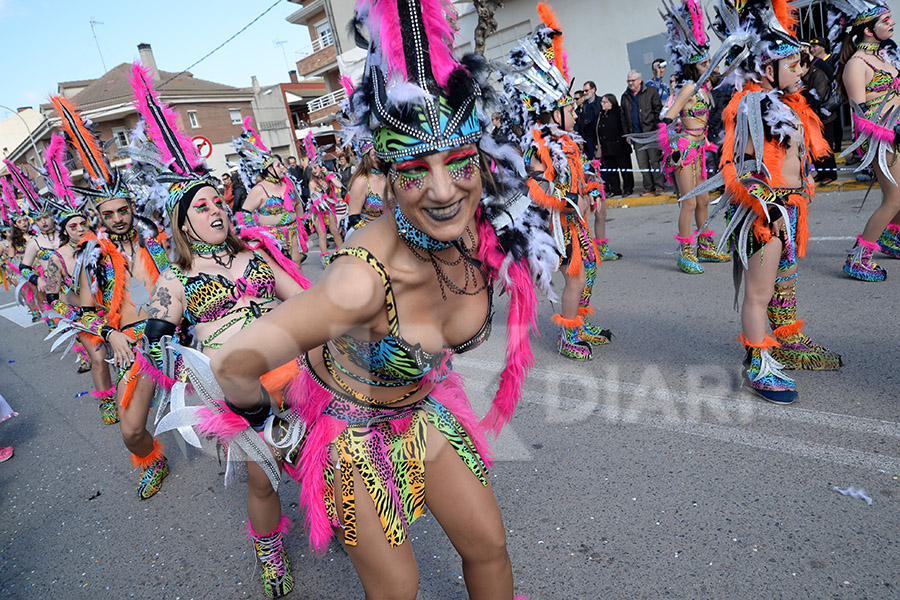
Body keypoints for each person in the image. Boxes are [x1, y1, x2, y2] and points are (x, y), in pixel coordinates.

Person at [211, 0, 555, 597]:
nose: (445, 191)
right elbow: (232, 363)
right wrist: (271, 428)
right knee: (397, 589)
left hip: (423, 409)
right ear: (387, 175)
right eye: (417, 169)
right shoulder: (360, 281)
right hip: (351, 433)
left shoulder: (493, 226)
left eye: (459, 164)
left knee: (489, 547)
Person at [123, 79, 311, 593]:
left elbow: (308, 302)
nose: (216, 210)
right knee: (265, 473)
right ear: (183, 224)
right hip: (240, 388)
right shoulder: (174, 280)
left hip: (298, 371)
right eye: (201, 207)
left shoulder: (259, 254)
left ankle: (333, 510)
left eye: (217, 202)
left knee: (326, 450)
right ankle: (270, 550)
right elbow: (158, 347)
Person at [684, 0, 841, 404]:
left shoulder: (787, 102)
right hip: (763, 212)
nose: (802, 68)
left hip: (788, 208)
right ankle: (758, 360)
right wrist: (766, 205)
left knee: (783, 284)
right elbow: (740, 166)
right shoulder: (754, 105)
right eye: (793, 63)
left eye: (801, 61)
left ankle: (786, 338)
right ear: (767, 69)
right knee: (759, 292)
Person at [51, 90, 172, 498]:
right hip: (132, 345)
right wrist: (111, 334)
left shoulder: (156, 240)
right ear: (98, 218)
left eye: (123, 211)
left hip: (177, 337)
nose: (119, 219)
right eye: (109, 214)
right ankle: (154, 459)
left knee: (232, 410)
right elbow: (84, 314)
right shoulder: (93, 258)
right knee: (131, 430)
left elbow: (184, 278)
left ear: (131, 209)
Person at [507, 2, 611, 360]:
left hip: (576, 219)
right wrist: (566, 200)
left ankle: (578, 320)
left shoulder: (568, 140)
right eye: (570, 108)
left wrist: (591, 186)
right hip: (559, 224)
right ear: (554, 112)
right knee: (576, 276)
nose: (576, 111)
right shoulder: (540, 145)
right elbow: (535, 188)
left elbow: (580, 174)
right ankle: (568, 335)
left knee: (590, 270)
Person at [644, 0, 730, 274]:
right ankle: (685, 252)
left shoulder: (705, 88)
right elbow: (667, 119)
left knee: (704, 200)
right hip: (684, 151)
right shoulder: (690, 87)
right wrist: (674, 148)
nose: (710, 64)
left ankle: (705, 245)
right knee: (689, 202)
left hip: (699, 150)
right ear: (694, 65)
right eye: (705, 61)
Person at [39, 134, 115, 420]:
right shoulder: (55, 258)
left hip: (108, 310)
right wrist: (72, 315)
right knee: (97, 355)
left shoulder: (101, 248)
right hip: (80, 316)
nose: (80, 228)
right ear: (65, 229)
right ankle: (107, 402)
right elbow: (51, 297)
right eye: (74, 225)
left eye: (83, 223)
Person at [828, 0, 900, 278]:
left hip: (897, 134)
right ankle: (859, 257)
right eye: (886, 21)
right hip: (882, 140)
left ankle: (891, 237)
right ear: (869, 31)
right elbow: (860, 114)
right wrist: (891, 132)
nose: (892, 24)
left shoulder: (884, 59)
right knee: (894, 199)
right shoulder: (856, 65)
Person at [234, 119, 308, 271]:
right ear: (268, 169)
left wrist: (302, 222)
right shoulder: (259, 189)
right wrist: (256, 233)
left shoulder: (288, 183)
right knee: (282, 272)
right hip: (273, 238)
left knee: (297, 267)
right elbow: (246, 213)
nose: (283, 168)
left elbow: (298, 203)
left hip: (293, 231)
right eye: (278, 165)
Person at [3, 161, 55, 323]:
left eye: (25, 220)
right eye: (20, 222)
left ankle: (55, 317)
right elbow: (11, 259)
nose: (24, 223)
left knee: (49, 295)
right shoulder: (14, 240)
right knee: (37, 296)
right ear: (16, 225)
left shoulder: (35, 233)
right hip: (25, 272)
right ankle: (47, 320)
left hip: (42, 268)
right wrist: (13, 270)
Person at [621, 70, 666, 195]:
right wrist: (628, 134)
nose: (630, 83)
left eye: (633, 81)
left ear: (640, 80)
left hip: (650, 132)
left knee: (654, 160)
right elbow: (623, 117)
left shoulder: (650, 91)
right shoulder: (625, 96)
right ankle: (648, 187)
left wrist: (657, 129)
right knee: (642, 163)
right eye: (629, 81)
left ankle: (659, 186)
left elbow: (658, 111)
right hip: (636, 135)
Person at [799, 46, 839, 184]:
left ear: (806, 65)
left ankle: (830, 174)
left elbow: (819, 97)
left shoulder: (818, 74)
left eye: (800, 67)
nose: (798, 71)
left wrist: (804, 96)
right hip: (810, 118)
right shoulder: (802, 77)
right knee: (814, 147)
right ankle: (821, 172)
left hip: (825, 118)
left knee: (826, 147)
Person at [596, 93, 635, 197]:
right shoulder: (601, 114)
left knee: (625, 169)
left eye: (605, 102)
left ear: (611, 103)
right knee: (611, 171)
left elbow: (624, 126)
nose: (602, 104)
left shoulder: (618, 112)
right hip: (607, 148)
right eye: (602, 102)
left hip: (620, 147)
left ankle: (628, 188)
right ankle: (615, 189)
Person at [344, 143, 386, 234]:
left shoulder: (390, 176)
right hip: (367, 235)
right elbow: (354, 218)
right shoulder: (361, 182)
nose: (379, 158)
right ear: (367, 157)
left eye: (381, 153)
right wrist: (372, 234)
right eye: (375, 154)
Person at [577, 81, 602, 159]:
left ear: (593, 89)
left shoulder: (600, 102)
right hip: (588, 138)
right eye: (584, 91)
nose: (584, 93)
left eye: (586, 90)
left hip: (599, 137)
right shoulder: (584, 104)